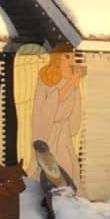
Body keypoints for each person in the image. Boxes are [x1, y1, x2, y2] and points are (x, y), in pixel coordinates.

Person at [32, 42, 84, 188]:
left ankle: (71, 197)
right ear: (58, 58)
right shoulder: (47, 77)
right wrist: (71, 83)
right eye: (67, 56)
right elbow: (50, 105)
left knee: (70, 165)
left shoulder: (73, 78)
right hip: (50, 130)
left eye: (73, 57)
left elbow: (76, 104)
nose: (71, 60)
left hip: (64, 130)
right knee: (52, 163)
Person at [34, 139, 76, 219]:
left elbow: (49, 190)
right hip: (63, 198)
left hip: (61, 202)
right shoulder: (50, 165)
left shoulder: (47, 168)